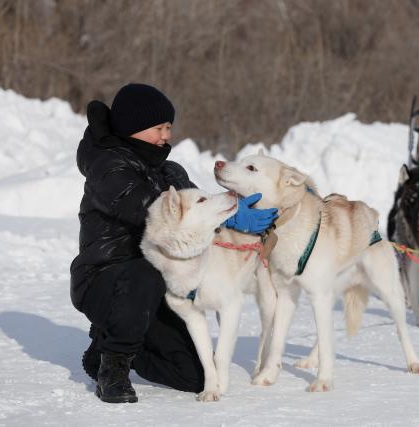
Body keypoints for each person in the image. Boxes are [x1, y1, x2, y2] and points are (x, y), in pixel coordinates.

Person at [70, 83, 277, 403]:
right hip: (105, 278)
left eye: (169, 127)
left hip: (157, 284)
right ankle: (112, 367)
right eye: (158, 128)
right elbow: (149, 210)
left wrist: (228, 213)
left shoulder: (170, 171)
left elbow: (200, 209)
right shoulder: (108, 167)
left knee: (193, 375)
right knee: (145, 274)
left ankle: (113, 343)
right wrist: (228, 218)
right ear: (133, 128)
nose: (166, 135)